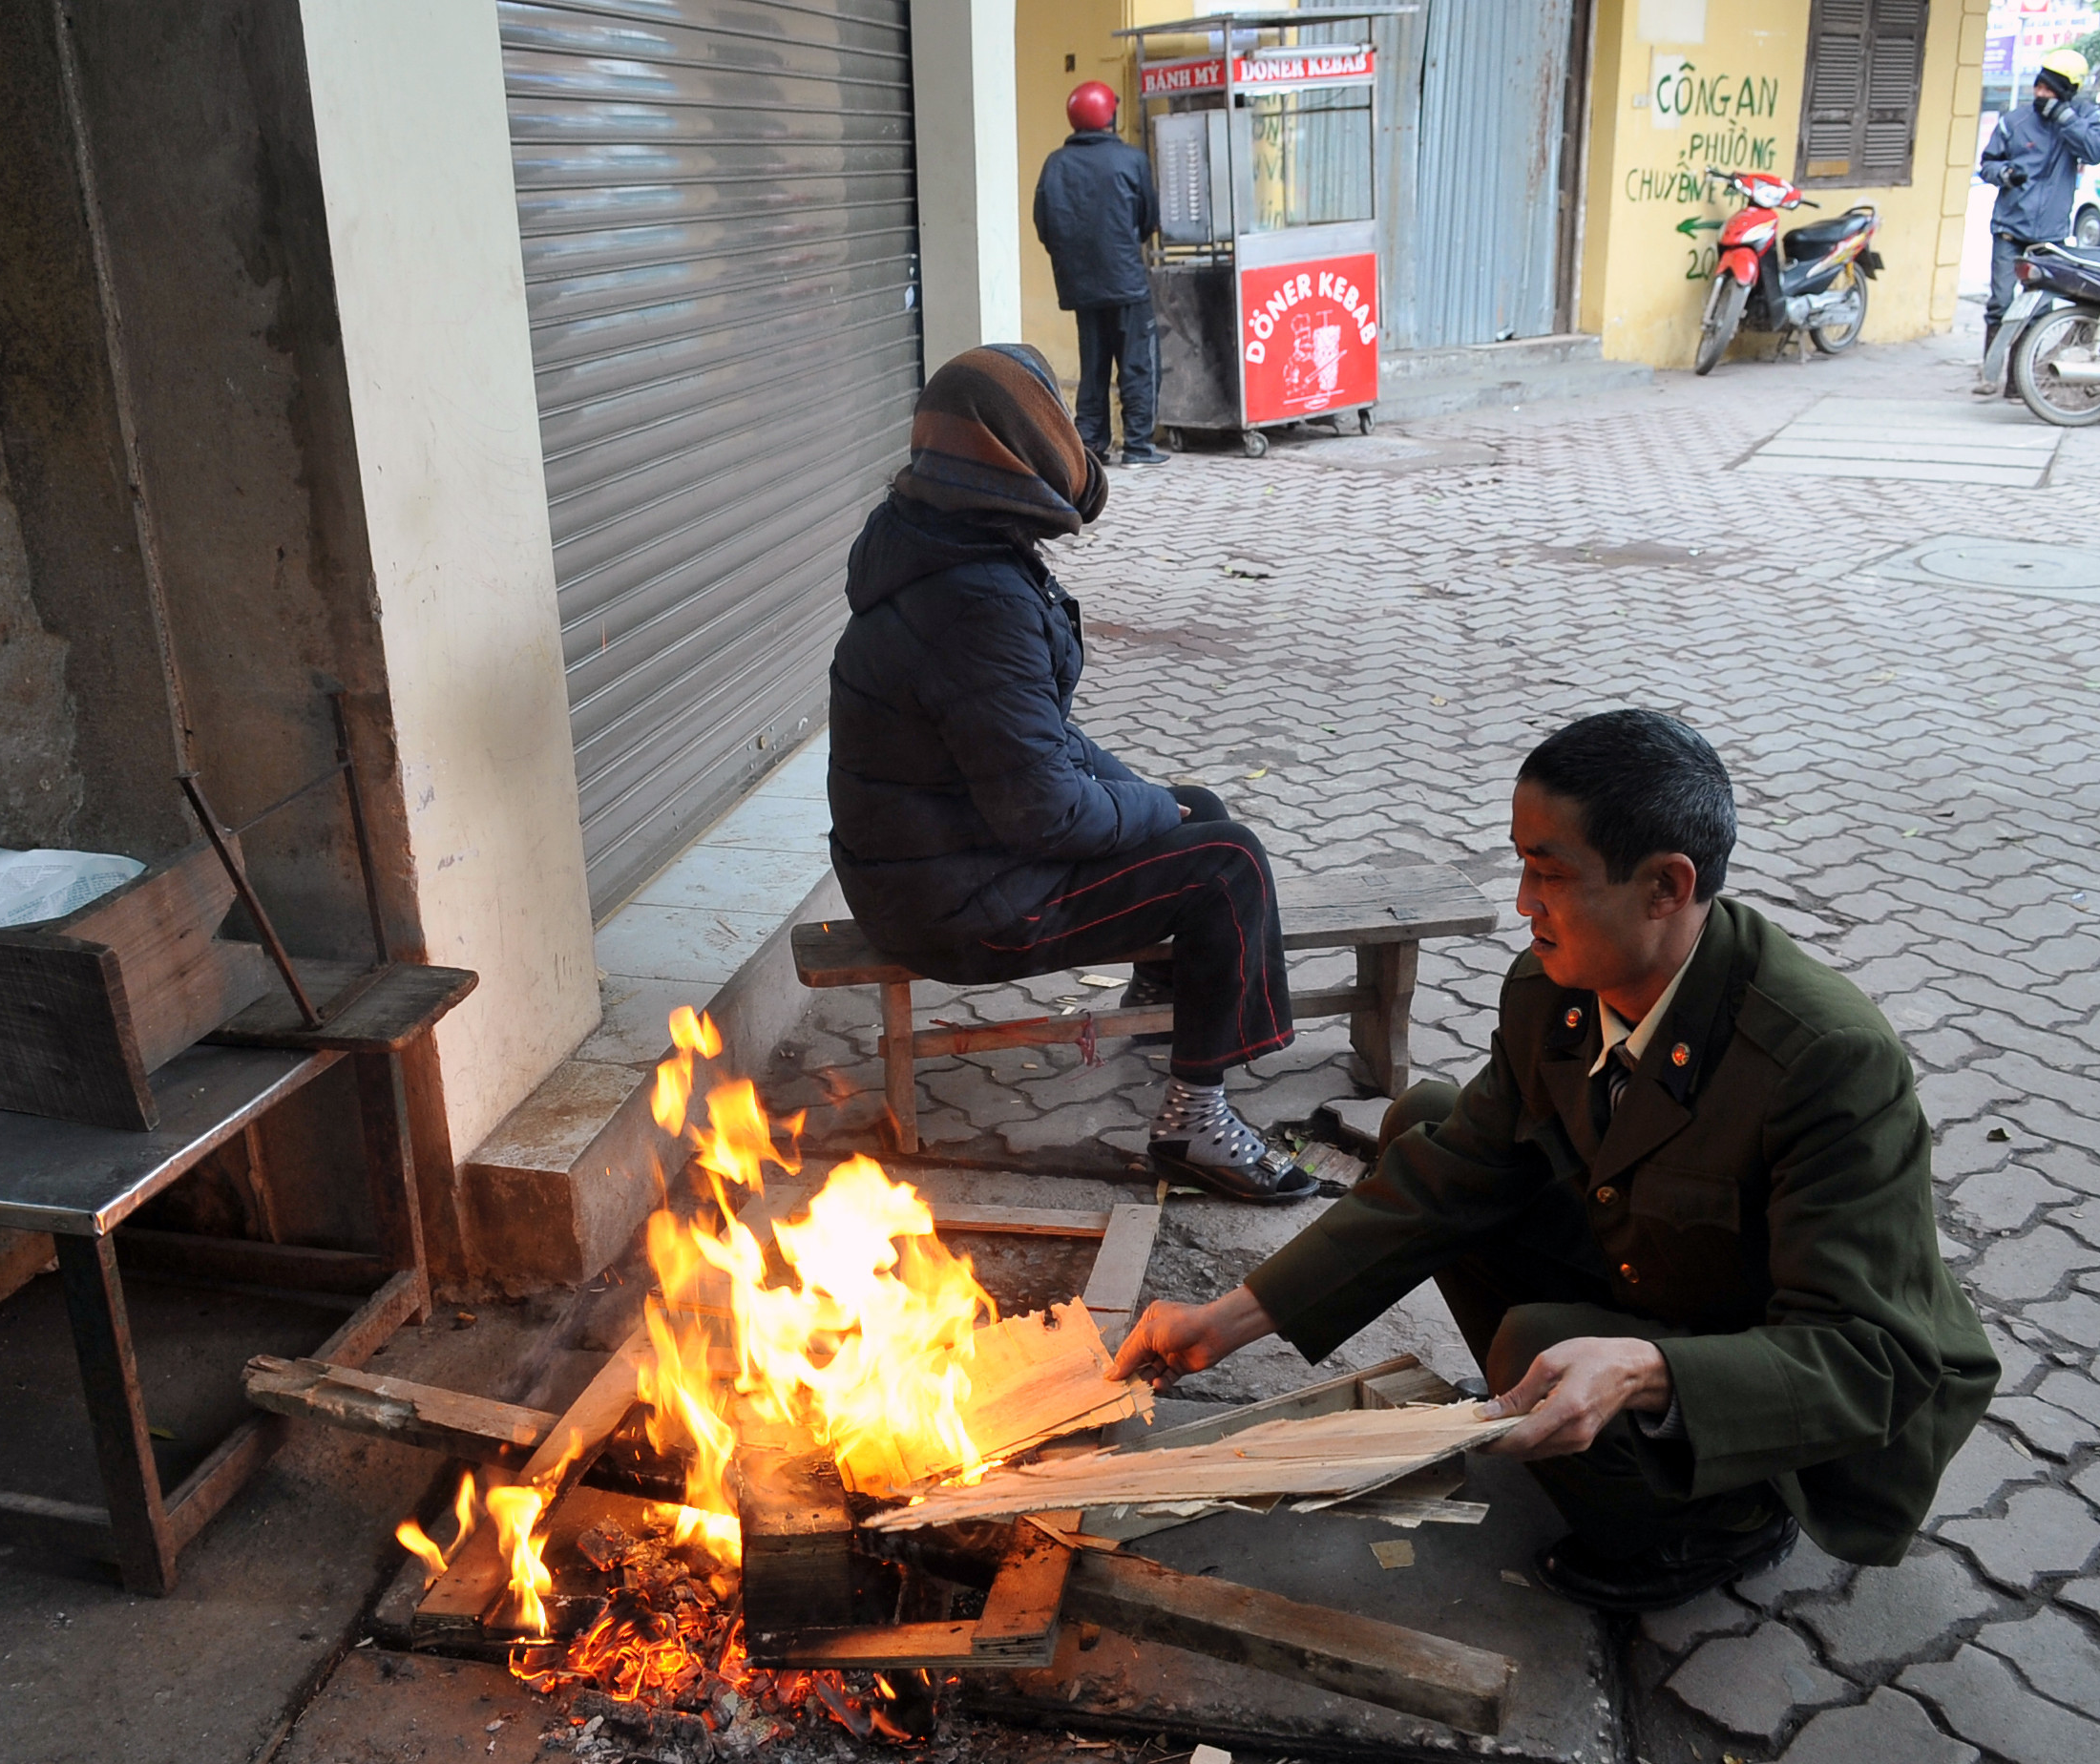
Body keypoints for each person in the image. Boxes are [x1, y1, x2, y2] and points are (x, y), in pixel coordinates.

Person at [1109, 710, 1999, 1611]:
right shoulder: (1552, 993)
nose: (1526, 903)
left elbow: (1874, 1359)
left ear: (1665, 886)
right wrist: (1225, 1322)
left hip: (1793, 1393)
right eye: (1522, 864)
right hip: (1669, 1278)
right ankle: (1559, 1396)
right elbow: (1446, 1177)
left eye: (1552, 873)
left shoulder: (1825, 1057)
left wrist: (1645, 1371)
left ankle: (1725, 1522)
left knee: (1536, 1341)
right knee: (1427, 1121)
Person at [826, 344, 1309, 1202]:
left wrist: (1158, 804)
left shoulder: (932, 543)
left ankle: (1173, 1000)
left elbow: (1041, 745)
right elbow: (1043, 812)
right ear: (1011, 457)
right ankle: (1195, 1121)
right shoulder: (976, 600)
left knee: (1197, 809)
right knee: (1229, 862)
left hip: (923, 872)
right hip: (959, 911)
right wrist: (1153, 812)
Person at [1032, 81, 1166, 467]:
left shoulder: (1055, 163)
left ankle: (1091, 444)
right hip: (1126, 281)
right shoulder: (1131, 160)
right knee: (1136, 362)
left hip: (1080, 284)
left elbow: (1044, 223)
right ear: (1109, 115)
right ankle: (1138, 446)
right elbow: (1148, 220)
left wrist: (1075, 259)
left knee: (1092, 364)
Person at [1976, 49, 2100, 391]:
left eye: (2049, 90)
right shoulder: (2015, 121)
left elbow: (2098, 152)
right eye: (2039, 87)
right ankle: (1989, 374)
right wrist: (2005, 174)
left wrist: (2065, 119)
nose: (2041, 95)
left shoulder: (2083, 118)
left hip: (2049, 236)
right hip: (2009, 229)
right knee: (2001, 304)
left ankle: (2017, 384)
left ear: (2067, 91)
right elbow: (1988, 164)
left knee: (2036, 311)